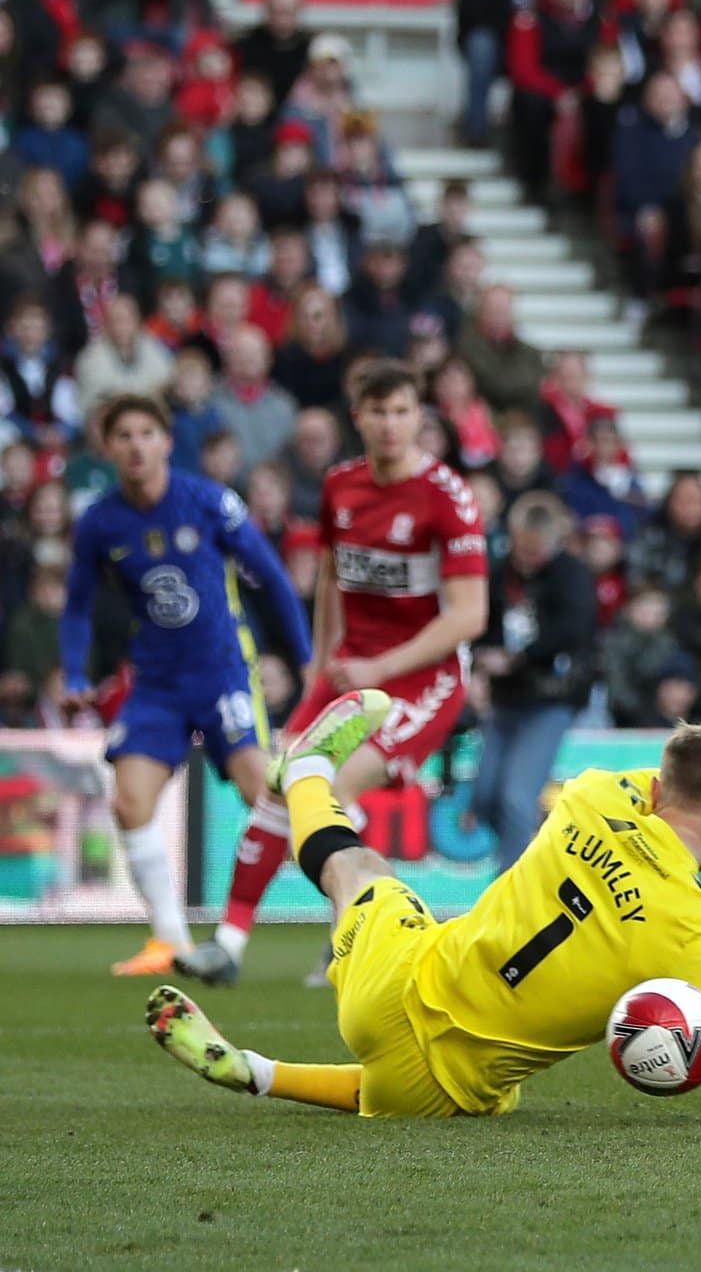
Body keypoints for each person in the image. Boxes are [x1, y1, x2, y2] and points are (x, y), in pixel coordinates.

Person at [147, 692, 701, 1123]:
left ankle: (305, 773)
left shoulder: (591, 793)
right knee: (461, 1087)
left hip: (387, 987)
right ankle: (258, 1071)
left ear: (654, 780)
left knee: (362, 873)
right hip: (445, 1088)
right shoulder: (699, 943)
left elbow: (672, 778)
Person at [178, 363, 487, 987]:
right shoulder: (341, 486)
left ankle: (352, 942)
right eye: (378, 412)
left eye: (402, 412)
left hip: (422, 679)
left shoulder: (447, 497)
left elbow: (469, 616)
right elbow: (330, 580)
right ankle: (230, 945)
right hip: (349, 668)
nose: (391, 425)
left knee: (330, 790)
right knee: (278, 787)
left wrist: (379, 667)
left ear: (417, 416)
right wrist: (321, 666)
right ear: (359, 417)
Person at [60, 394, 313, 976]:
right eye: (123, 435)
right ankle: (171, 941)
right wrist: (74, 671)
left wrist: (303, 658)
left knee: (264, 795)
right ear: (109, 447)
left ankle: (351, 922)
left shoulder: (207, 501)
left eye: (147, 432)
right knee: (129, 801)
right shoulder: (100, 521)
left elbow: (272, 578)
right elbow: (76, 605)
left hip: (224, 670)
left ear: (167, 441)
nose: (136, 445)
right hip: (156, 682)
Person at [474, 491, 598, 870]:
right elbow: (481, 623)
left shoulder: (572, 576)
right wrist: (482, 659)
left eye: (535, 550)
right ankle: (538, 851)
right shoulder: (499, 573)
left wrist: (516, 659)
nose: (526, 558)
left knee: (516, 796)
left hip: (551, 700)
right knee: (483, 796)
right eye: (521, 548)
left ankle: (509, 897)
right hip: (506, 699)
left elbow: (573, 631)